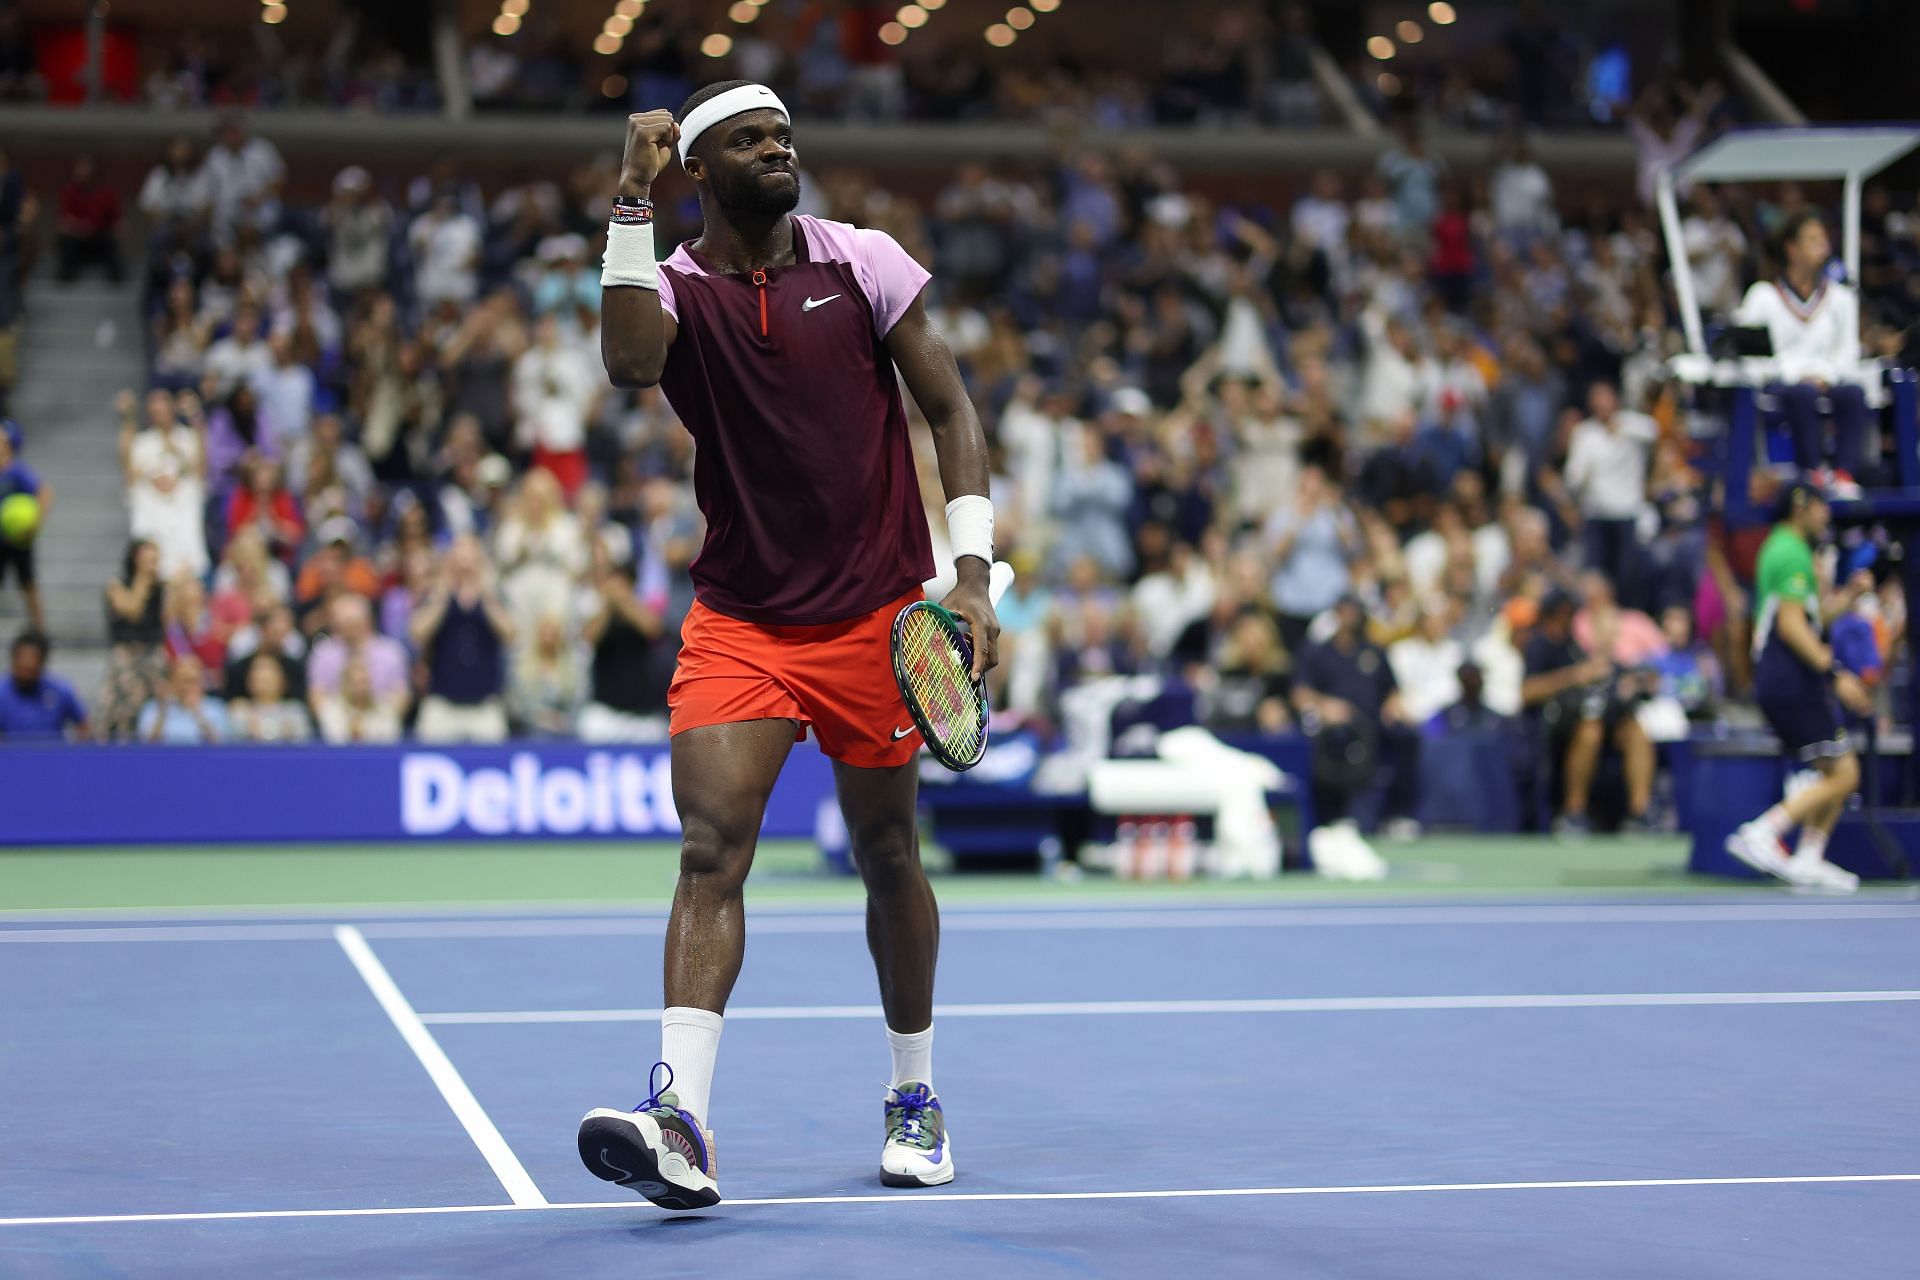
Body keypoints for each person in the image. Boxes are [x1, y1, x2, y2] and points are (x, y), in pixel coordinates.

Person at [576, 82, 1000, 1208]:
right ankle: (679, 1118)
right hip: (745, 623)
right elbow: (626, 365)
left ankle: (914, 1094)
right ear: (699, 171)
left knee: (888, 854)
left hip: (876, 615)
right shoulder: (668, 284)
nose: (779, 149)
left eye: (784, 136)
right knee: (711, 850)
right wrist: (628, 195)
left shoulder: (861, 261)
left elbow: (952, 409)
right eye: (751, 141)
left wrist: (970, 571)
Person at [1724, 484, 1874, 892]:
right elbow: (1791, 628)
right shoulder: (1789, 550)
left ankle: (1809, 856)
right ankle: (1761, 833)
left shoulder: (1790, 551)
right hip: (1789, 676)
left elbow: (1810, 617)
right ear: (1801, 506)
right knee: (1843, 774)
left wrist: (1849, 596)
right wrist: (1836, 674)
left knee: (1841, 770)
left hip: (1789, 677)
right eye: (1823, 506)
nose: (1828, 515)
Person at [1733, 212, 1869, 485]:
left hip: (1825, 379)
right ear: (1792, 248)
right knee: (1802, 394)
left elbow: (1848, 352)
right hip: (1781, 383)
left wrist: (1827, 375)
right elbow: (1750, 354)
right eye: (1813, 239)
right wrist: (1792, 374)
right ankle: (1811, 472)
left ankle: (1844, 474)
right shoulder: (1762, 296)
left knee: (1854, 393)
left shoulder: (1840, 298)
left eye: (1824, 239)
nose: (1824, 246)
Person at [1520, 589, 1656, 835]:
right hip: (1560, 728)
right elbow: (1527, 692)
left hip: (1607, 726)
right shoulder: (1549, 648)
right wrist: (1576, 677)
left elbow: (1624, 695)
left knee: (1635, 729)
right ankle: (1574, 812)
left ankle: (1640, 811)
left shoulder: (1597, 659)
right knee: (1589, 730)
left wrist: (1635, 686)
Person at [1292, 595, 1421, 843]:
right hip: (1335, 725)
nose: (1351, 616)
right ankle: (1341, 814)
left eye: (1355, 611)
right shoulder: (1318, 652)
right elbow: (1300, 693)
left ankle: (1399, 814)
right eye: (1346, 611)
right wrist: (1325, 705)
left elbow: (1391, 689)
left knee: (1408, 738)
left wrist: (1393, 705)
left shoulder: (1373, 651)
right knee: (1342, 737)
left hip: (1373, 721)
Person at [411, 534, 516, 743]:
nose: (465, 564)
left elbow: (510, 633)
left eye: (470, 558)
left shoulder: (494, 595)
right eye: (459, 557)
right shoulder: (435, 595)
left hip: (484, 705)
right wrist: (443, 591)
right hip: (442, 703)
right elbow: (418, 633)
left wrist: (484, 593)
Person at [1562, 381, 1656, 603]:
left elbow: (1655, 430)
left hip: (1627, 512)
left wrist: (1621, 427)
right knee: (1594, 572)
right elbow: (1573, 477)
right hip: (1596, 514)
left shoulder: (1633, 426)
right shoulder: (1585, 434)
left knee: (1627, 572)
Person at [577, 561, 670, 742]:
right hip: (605, 713)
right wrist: (608, 605)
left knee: (658, 730)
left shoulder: (639, 610)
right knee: (589, 724)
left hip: (642, 715)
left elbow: (654, 629)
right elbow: (588, 639)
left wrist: (624, 600)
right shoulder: (601, 614)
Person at [0, 419, 49, 633]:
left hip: (19, 539)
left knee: (28, 584)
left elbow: (45, 493)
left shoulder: (17, 471)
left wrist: (35, 523)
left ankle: (40, 630)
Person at [0, 631, 87, 741]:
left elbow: (84, 726)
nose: (26, 673)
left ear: (42, 664)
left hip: (54, 756)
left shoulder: (60, 691)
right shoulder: (1, 693)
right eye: (22, 668)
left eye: (30, 670)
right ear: (13, 660)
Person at [54, 154, 123, 283]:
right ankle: (66, 276)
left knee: (110, 243)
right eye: (80, 169)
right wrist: (78, 228)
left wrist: (112, 229)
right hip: (76, 240)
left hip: (99, 240)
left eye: (86, 169)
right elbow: (62, 222)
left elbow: (117, 222)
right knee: (65, 241)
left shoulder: (107, 193)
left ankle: (117, 278)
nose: (83, 173)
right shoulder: (68, 192)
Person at [137, 653, 230, 744]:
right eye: (184, 681)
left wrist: (197, 712)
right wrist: (163, 711)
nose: (187, 686)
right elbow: (147, 748)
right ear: (172, 682)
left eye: (193, 680)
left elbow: (221, 747)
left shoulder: (217, 708)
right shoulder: (154, 707)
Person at [228, 653, 312, 743]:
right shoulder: (240, 710)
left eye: (267, 680)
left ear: (282, 680)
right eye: (258, 675)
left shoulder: (295, 710)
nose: (262, 674)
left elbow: (303, 739)